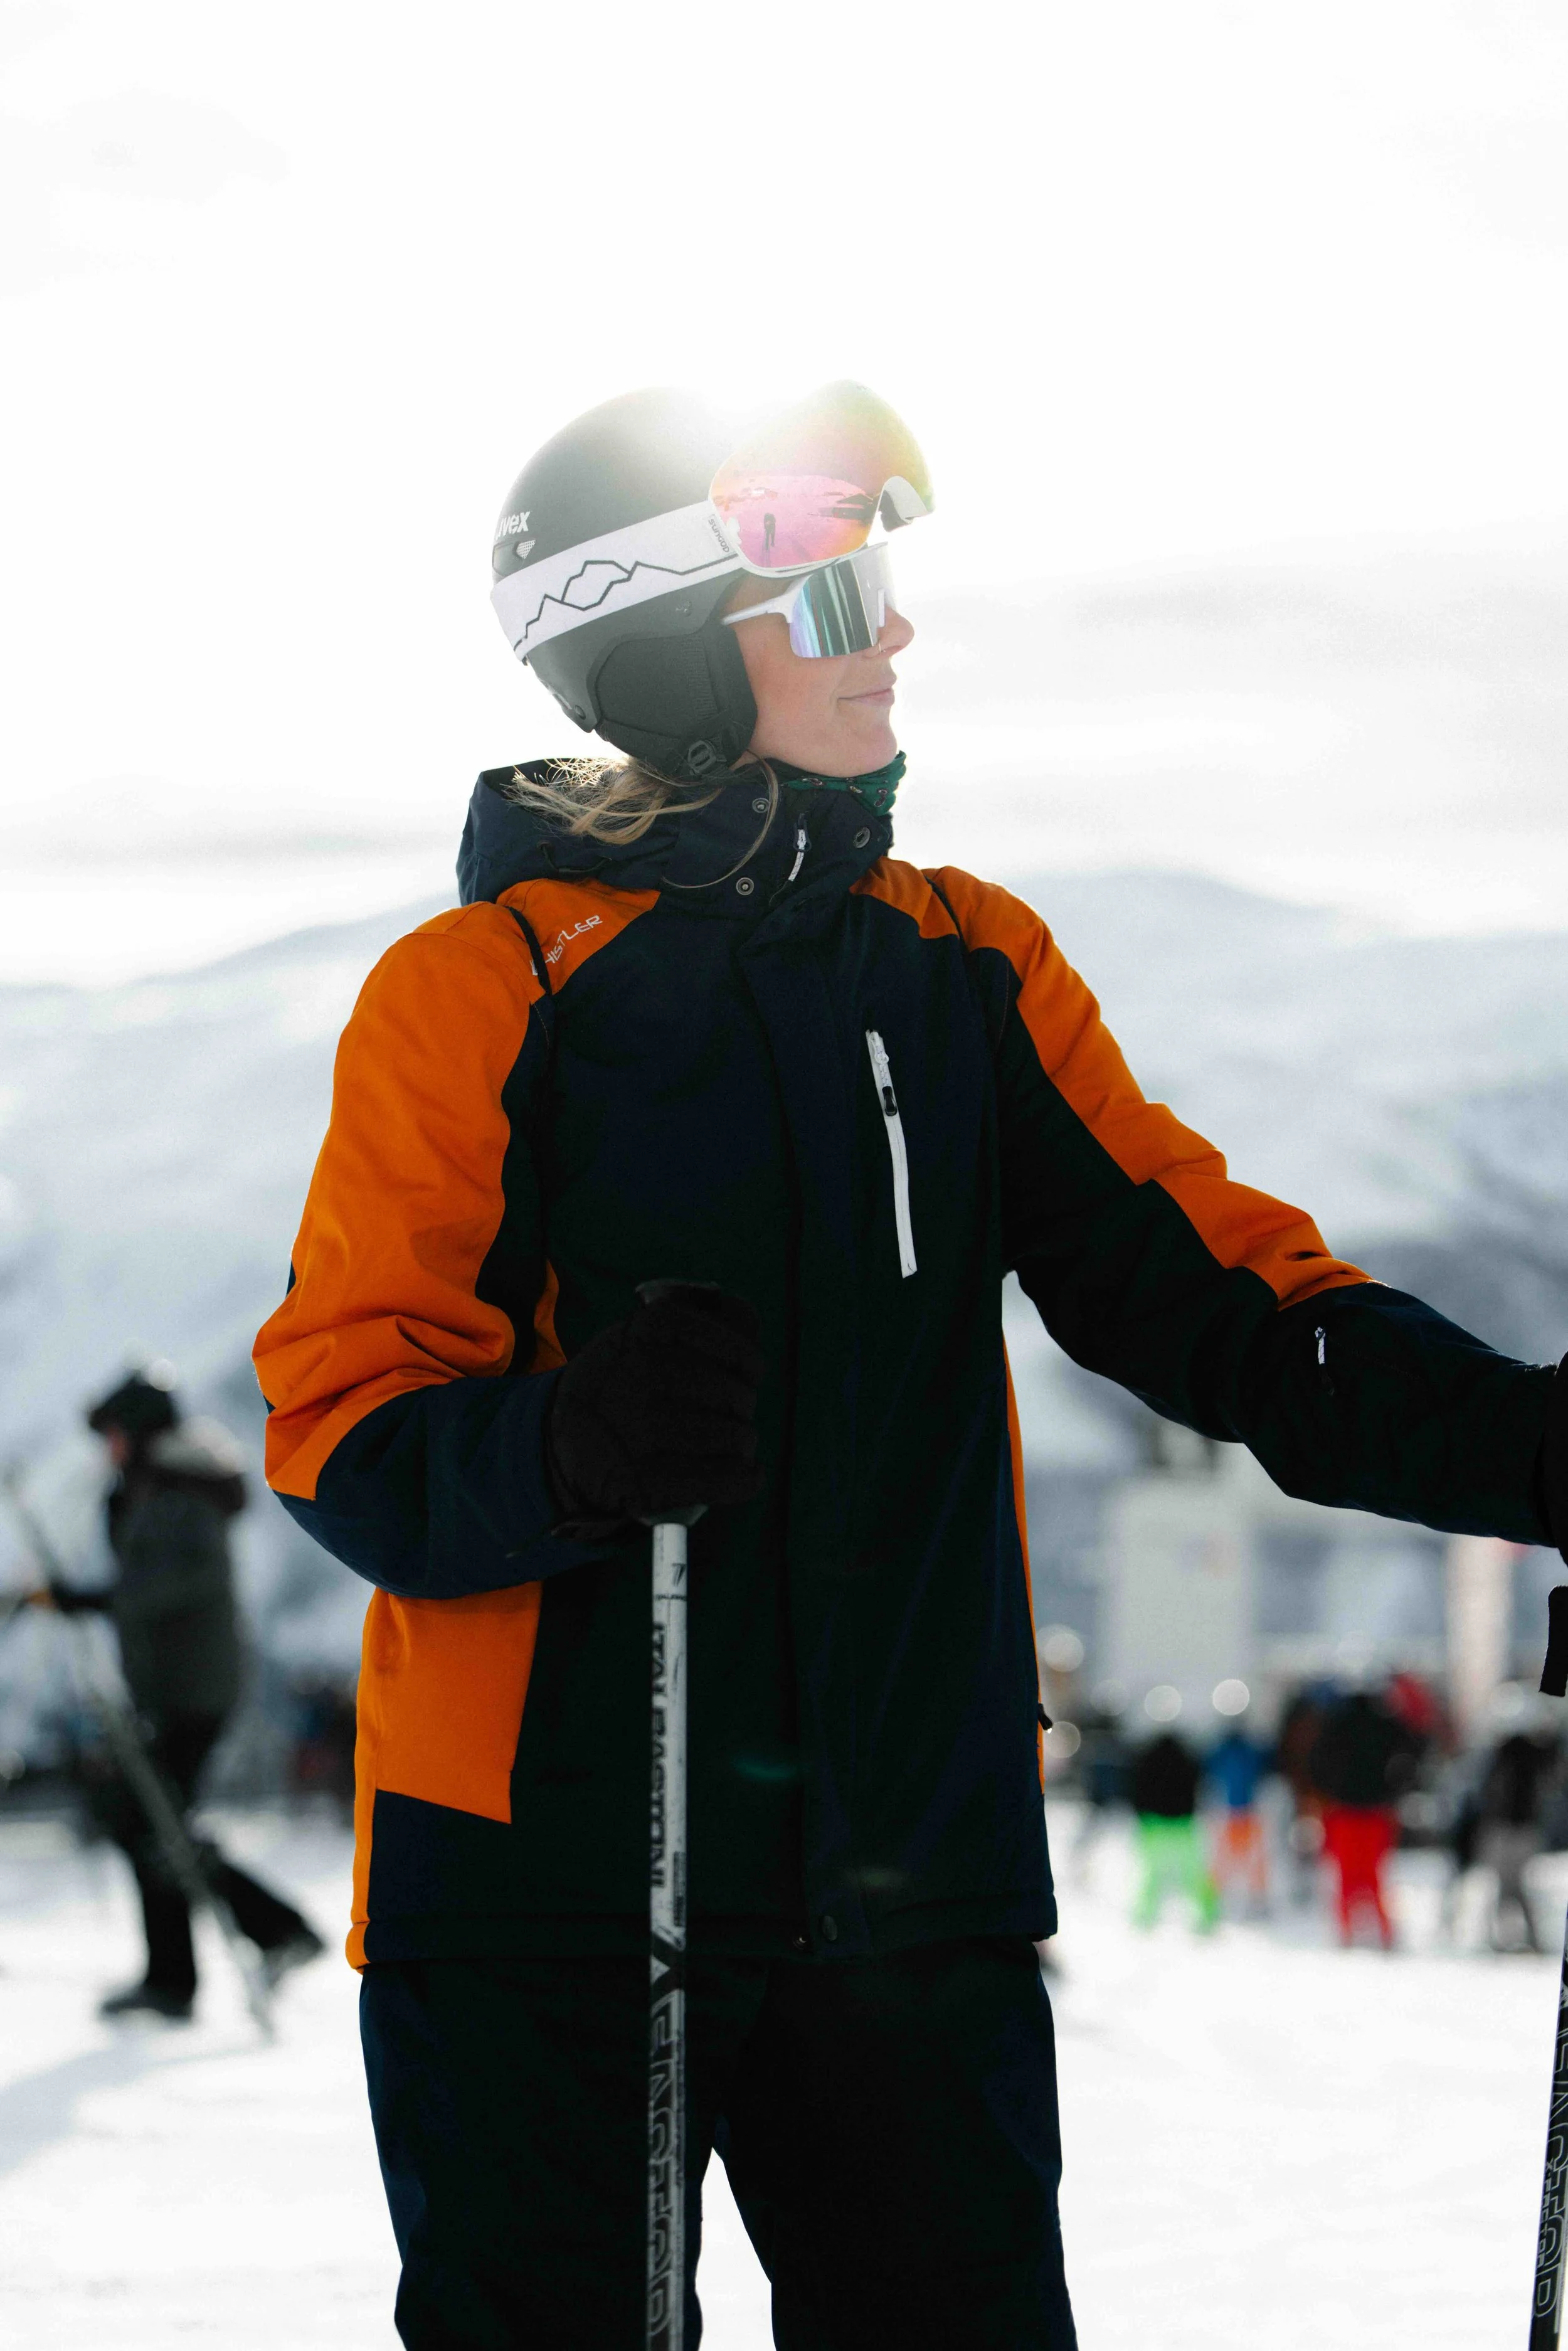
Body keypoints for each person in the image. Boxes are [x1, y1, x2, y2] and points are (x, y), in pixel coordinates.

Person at [254, 380, 1568, 2350]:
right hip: (550, 1888)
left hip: (907, 1881)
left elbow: (1221, 1302)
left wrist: (1526, 1447)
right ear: (666, 653)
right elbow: (343, 1423)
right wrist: (569, 1443)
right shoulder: (480, 990)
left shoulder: (962, 966)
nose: (892, 632)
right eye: (830, 594)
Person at [61, 1366, 323, 2020]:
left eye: (114, 1433)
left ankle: (258, 1940)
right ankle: (193, 1969)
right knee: (152, 1822)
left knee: (152, 1821)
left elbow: (173, 1581)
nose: (107, 1448)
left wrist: (92, 1599)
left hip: (191, 1691)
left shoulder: (179, 1494)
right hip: (173, 1688)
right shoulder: (155, 1487)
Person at [1308, 1682, 1419, 1949]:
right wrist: (1394, 1787)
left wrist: (1330, 1790)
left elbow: (1316, 1763)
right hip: (1376, 1810)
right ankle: (1383, 1934)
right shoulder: (1387, 1723)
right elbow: (1414, 1751)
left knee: (1347, 1875)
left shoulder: (1336, 1724)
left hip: (1345, 1810)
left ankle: (1347, 1934)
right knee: (1374, 1875)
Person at [1128, 1717, 1219, 1933]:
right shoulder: (1186, 1759)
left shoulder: (1148, 1760)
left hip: (1155, 1826)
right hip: (1182, 1825)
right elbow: (1198, 1786)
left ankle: (1144, 1918)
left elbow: (1137, 1789)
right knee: (1193, 1875)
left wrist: (1142, 1815)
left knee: (1153, 1876)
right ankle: (1208, 1918)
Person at [1205, 1712, 1272, 1915]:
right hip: (1232, 1813)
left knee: (1249, 1860)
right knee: (1227, 1860)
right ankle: (1215, 1901)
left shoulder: (1237, 1751)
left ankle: (1255, 1900)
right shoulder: (1233, 1751)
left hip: (1243, 1812)